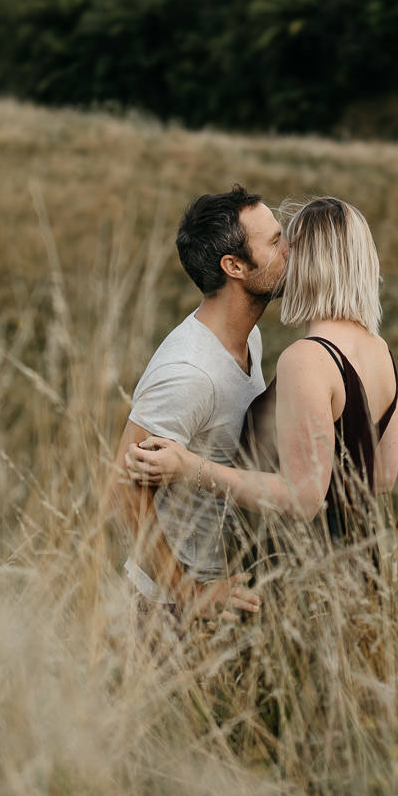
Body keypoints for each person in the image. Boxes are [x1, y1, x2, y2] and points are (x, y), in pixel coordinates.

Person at [125, 196, 398, 550]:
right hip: (360, 564)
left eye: (290, 243)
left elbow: (303, 499)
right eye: (276, 241)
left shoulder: (304, 358)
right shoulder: (379, 350)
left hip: (304, 573)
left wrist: (191, 467)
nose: (285, 252)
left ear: (312, 261)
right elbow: (382, 478)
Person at [104, 185, 288, 624]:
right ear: (235, 266)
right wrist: (188, 594)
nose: (290, 251)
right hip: (165, 614)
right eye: (276, 242)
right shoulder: (188, 372)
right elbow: (121, 491)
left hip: (225, 597)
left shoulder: (249, 338)